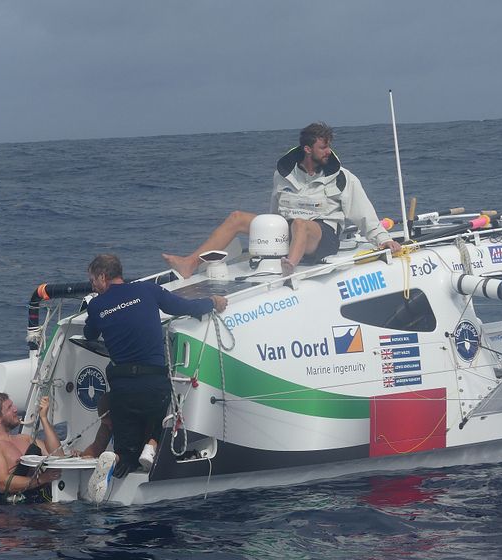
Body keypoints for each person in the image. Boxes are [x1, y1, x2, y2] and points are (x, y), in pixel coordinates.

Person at [162, 122, 402, 278]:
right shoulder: (283, 175)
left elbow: (364, 215)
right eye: (323, 147)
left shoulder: (343, 178)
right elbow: (274, 214)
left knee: (300, 224)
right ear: (307, 149)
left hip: (323, 236)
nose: (328, 152)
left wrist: (383, 240)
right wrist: (267, 234)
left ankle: (290, 267)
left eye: (329, 147)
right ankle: (190, 263)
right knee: (237, 218)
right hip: (290, 232)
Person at [83, 254, 227, 503]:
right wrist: (213, 301)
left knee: (126, 450)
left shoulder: (97, 306)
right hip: (154, 383)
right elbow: (185, 307)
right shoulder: (147, 290)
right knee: (165, 414)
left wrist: (98, 306)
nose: (93, 285)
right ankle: (152, 446)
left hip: (123, 388)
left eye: (93, 280)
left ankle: (117, 458)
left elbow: (89, 332)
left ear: (103, 277)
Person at [0, 393, 63, 502]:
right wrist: (41, 479)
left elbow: (58, 455)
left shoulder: (24, 439)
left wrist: (44, 418)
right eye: (9, 408)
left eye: (13, 405)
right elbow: (1, 483)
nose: (15, 409)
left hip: (40, 499)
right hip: (13, 510)